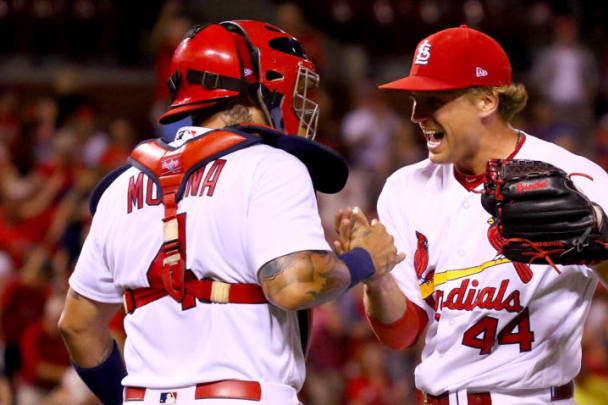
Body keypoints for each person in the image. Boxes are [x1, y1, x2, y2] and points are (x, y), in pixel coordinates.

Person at [57, 20, 403, 405]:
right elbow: (294, 283)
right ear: (259, 86)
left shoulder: (121, 187)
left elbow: (77, 326)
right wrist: (363, 260)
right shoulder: (270, 164)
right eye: (291, 85)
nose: (303, 100)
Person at [335, 25, 608, 405]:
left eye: (435, 100)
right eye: (415, 99)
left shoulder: (573, 176)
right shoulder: (404, 188)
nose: (416, 115)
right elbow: (402, 335)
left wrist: (601, 252)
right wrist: (376, 280)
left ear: (485, 102)